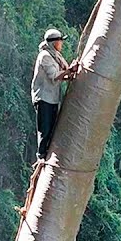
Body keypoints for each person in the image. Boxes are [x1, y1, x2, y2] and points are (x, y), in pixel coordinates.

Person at [32, 28, 76, 160]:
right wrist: (69, 71)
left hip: (52, 97)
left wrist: (71, 73)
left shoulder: (56, 56)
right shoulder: (45, 56)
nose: (61, 44)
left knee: (52, 128)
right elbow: (54, 76)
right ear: (54, 43)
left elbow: (63, 74)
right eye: (60, 41)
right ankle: (41, 156)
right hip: (43, 97)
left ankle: (47, 154)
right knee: (45, 129)